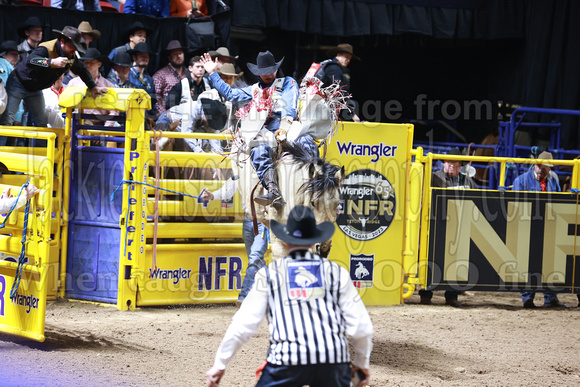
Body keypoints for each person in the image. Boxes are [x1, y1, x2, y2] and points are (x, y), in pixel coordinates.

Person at [205, 205, 373, 387]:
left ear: (285, 241)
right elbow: (362, 328)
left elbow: (243, 325)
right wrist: (361, 364)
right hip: (332, 360)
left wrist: (220, 364)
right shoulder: (337, 273)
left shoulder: (269, 275)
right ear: (314, 242)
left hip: (287, 359)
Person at [200, 50, 318, 209]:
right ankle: (274, 192)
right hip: (266, 131)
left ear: (276, 69)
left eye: (271, 70)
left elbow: (289, 106)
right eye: (264, 72)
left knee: (307, 141)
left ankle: (318, 185)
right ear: (258, 73)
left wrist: (284, 128)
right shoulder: (254, 89)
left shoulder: (287, 83)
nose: (268, 74)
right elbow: (231, 94)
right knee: (258, 150)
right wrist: (213, 73)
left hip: (289, 126)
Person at [0, 26, 107, 145]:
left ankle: (43, 155)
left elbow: (82, 69)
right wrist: (51, 62)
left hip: (35, 89)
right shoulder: (46, 48)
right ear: (62, 42)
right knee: (8, 119)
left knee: (42, 121)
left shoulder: (70, 56)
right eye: (72, 46)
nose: (74, 50)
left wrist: (93, 86)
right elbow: (32, 60)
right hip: (18, 83)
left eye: (75, 47)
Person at [419, 148, 474, 307]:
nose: (451, 166)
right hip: (435, 225)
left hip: (458, 227)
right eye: (449, 163)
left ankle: (452, 296)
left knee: (455, 261)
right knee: (429, 259)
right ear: (444, 163)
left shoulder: (467, 180)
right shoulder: (432, 177)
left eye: (455, 164)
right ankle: (426, 294)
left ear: (460, 165)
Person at [200, 179, 268, 306]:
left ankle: (244, 296)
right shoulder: (241, 168)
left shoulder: (265, 168)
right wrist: (213, 195)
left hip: (263, 220)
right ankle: (272, 292)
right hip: (248, 220)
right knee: (256, 260)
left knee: (255, 257)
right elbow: (228, 190)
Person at [512, 151, 567, 308]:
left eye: (546, 167)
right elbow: (516, 207)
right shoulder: (521, 181)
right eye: (540, 165)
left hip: (549, 228)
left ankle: (550, 297)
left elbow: (558, 202)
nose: (542, 169)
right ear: (535, 164)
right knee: (528, 262)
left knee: (550, 262)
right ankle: (528, 297)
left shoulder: (552, 181)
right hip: (527, 228)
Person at [155, 97, 227, 153]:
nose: (211, 124)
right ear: (205, 114)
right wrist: (199, 151)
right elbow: (186, 133)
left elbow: (215, 143)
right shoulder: (191, 109)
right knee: (158, 145)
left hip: (182, 129)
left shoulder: (209, 120)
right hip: (168, 121)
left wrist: (218, 165)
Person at [68, 48, 117, 126]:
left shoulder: (109, 86)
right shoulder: (73, 83)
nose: (88, 65)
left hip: (100, 125)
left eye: (91, 62)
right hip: (78, 124)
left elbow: (114, 110)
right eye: (86, 63)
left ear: (99, 64)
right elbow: (68, 106)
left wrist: (106, 128)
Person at [314, 43, 360, 122]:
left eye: (350, 58)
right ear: (338, 55)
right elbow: (340, 91)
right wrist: (352, 114)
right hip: (320, 109)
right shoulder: (334, 68)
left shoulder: (326, 64)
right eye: (346, 57)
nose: (348, 60)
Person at [153, 40, 188, 115]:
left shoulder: (189, 73)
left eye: (180, 53)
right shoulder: (160, 75)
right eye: (175, 54)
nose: (178, 56)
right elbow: (156, 98)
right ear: (169, 57)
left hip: (188, 115)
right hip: (169, 115)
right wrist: (165, 116)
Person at [127, 42, 157, 118]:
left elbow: (153, 102)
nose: (145, 58)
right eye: (142, 56)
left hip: (145, 120)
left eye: (147, 56)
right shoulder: (127, 74)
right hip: (129, 117)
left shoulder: (150, 79)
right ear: (134, 57)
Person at [0, 40, 24, 126]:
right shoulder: (3, 63)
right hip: (7, 112)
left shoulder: (13, 68)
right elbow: (14, 92)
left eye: (17, 54)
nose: (16, 57)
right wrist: (18, 115)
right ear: (3, 54)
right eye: (13, 54)